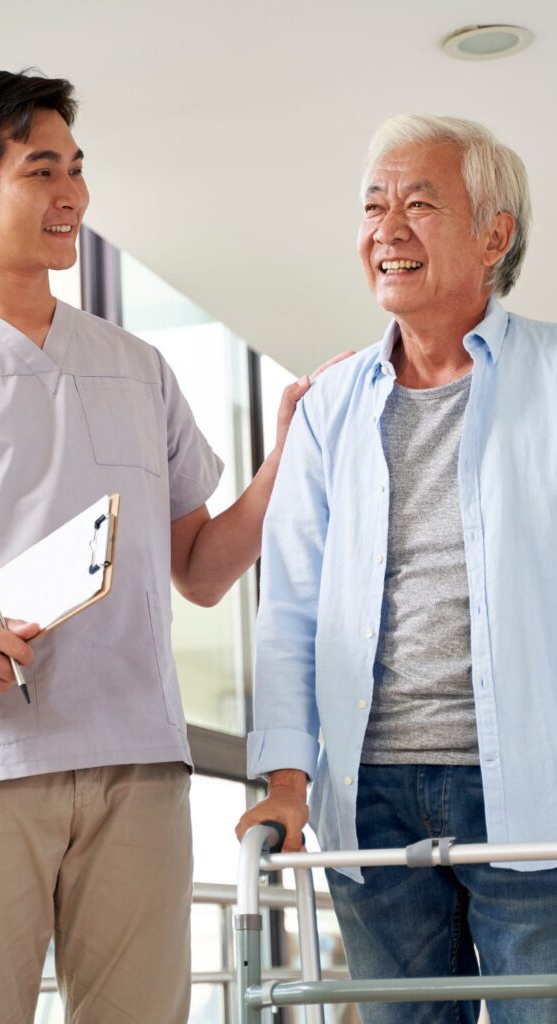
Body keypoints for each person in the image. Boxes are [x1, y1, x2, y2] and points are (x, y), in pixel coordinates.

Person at [0, 70, 346, 1024]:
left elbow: (203, 570)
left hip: (137, 767)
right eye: (41, 170)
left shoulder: (138, 367)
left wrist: (283, 460)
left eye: (77, 169)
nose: (72, 196)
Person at [236, 113, 557, 1024]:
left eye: (419, 203)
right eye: (373, 205)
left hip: (532, 787)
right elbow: (291, 606)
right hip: (370, 794)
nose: (386, 228)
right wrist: (286, 786)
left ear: (493, 235)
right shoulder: (331, 403)